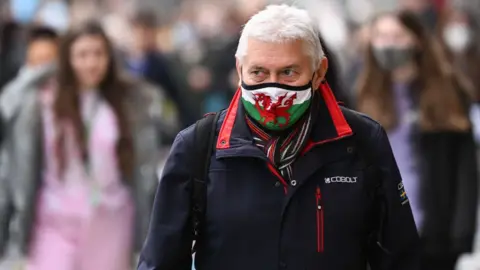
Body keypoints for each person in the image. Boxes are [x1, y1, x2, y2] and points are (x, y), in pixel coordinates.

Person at [138, 4, 420, 270]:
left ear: (319, 71)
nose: (273, 90)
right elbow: (160, 260)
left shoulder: (362, 140)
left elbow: (401, 256)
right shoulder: (198, 147)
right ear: (239, 70)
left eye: (288, 72)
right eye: (259, 72)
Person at [0, 21, 168, 270]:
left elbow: (146, 158)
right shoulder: (43, 101)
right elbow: (19, 167)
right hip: (53, 221)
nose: (91, 63)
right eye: (82, 55)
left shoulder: (128, 103)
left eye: (98, 54)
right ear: (67, 58)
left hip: (112, 221)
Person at [355, 11, 477, 270]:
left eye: (397, 36)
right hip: (383, 232)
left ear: (417, 40)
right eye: (381, 37)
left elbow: (465, 169)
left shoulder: (447, 91)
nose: (388, 45)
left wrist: (462, 233)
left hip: (434, 232)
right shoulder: (364, 94)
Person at [124, 8, 194, 129]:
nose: (141, 37)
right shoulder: (122, 63)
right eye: (138, 31)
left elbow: (178, 98)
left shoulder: (163, 64)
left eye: (146, 32)